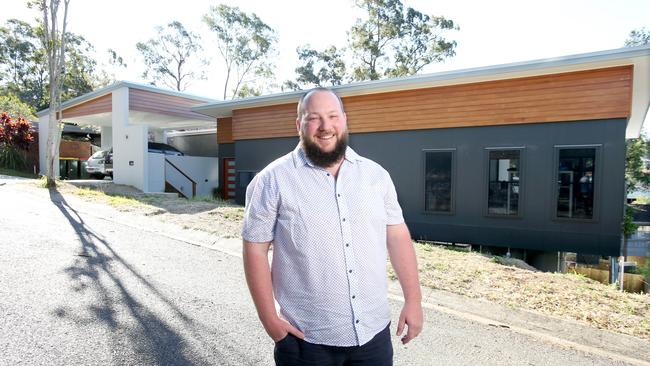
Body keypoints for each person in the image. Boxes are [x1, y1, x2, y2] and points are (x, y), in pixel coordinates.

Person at [242, 87, 423, 366]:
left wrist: (413, 300)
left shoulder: (376, 176)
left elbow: (397, 236)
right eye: (314, 118)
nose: (325, 127)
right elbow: (255, 249)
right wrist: (269, 320)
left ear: (345, 119)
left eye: (332, 116)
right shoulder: (272, 180)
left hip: (373, 336)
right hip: (306, 341)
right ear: (299, 124)